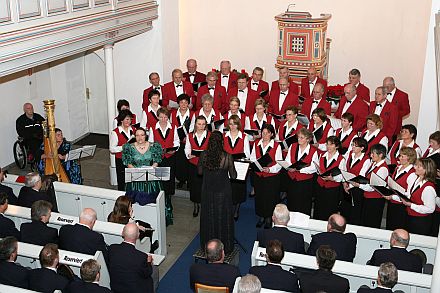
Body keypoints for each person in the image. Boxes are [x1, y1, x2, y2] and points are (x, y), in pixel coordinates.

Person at [198, 131, 237, 253]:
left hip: (208, 191)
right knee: (222, 218)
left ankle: (208, 246)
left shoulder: (203, 155)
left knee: (208, 218)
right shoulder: (227, 156)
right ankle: (225, 246)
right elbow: (234, 176)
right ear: (221, 142)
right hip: (222, 193)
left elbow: (199, 172)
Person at [123, 127, 165, 218]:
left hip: (150, 178)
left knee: (153, 201)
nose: (140, 137)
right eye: (137, 135)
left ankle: (153, 218)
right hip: (135, 178)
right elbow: (128, 163)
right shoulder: (129, 147)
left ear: (146, 136)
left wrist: (151, 169)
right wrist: (138, 172)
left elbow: (156, 160)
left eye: (142, 135)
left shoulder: (154, 146)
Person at [148, 107, 179, 225]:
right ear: (157, 117)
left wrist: (173, 150)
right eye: (161, 117)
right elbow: (150, 143)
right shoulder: (153, 128)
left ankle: (169, 200)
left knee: (169, 178)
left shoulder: (173, 127)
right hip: (159, 159)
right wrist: (157, 150)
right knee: (160, 179)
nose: (163, 119)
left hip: (170, 157)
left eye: (165, 117)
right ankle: (160, 198)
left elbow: (176, 141)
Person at [250, 123, 282, 228]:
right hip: (259, 175)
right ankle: (261, 216)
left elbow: (279, 163)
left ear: (271, 134)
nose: (264, 135)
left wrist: (270, 169)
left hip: (271, 177)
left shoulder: (276, 146)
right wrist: (258, 166)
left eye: (267, 133)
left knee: (270, 197)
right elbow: (253, 158)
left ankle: (269, 218)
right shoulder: (256, 143)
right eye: (263, 133)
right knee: (259, 196)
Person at [108, 223, 154, 293]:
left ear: (122, 233)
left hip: (116, 288)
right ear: (138, 236)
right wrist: (149, 262)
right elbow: (147, 273)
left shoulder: (112, 249)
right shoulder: (141, 257)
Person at [285, 128, 318, 216]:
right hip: (292, 179)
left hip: (305, 182)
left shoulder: (313, 150)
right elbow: (288, 160)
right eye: (298, 137)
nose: (299, 139)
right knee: (292, 201)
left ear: (308, 139)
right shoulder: (293, 146)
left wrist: (300, 170)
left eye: (302, 138)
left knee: (303, 203)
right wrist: (289, 167)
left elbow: (314, 167)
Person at [355, 143, 389, 228]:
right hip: (367, 197)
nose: (371, 155)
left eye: (373, 153)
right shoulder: (374, 164)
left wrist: (359, 185)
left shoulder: (383, 168)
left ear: (380, 155)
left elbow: (374, 186)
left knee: (371, 223)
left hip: (375, 200)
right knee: (364, 222)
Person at [223, 115, 250, 220]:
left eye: (235, 123)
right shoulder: (224, 136)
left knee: (238, 189)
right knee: (227, 188)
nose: (233, 126)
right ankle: (228, 208)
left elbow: (247, 154)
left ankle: (237, 209)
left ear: (238, 124)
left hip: (239, 166)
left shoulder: (244, 136)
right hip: (227, 166)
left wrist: (240, 159)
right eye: (230, 124)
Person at [383, 147, 417, 230]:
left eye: (402, 156)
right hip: (392, 203)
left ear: (409, 158)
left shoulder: (412, 173)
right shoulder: (398, 168)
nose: (399, 158)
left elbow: (408, 195)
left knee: (397, 227)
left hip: (401, 206)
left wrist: (392, 197)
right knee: (389, 226)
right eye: (400, 156)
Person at [312, 136, 345, 220]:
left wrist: (332, 178)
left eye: (331, 144)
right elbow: (318, 169)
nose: (328, 146)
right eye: (327, 144)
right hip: (320, 187)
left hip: (332, 190)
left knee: (329, 211)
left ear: (337, 146)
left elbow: (342, 176)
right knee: (318, 210)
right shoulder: (322, 155)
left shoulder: (341, 159)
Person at [401, 158, 437, 236]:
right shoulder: (417, 181)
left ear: (426, 170)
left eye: (419, 166)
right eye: (416, 165)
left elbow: (430, 209)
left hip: (420, 221)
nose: (415, 167)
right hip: (411, 217)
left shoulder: (428, 188)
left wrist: (411, 205)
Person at [185, 116, 211, 217]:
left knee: (205, 186)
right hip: (193, 164)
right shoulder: (190, 135)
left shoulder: (210, 135)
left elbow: (212, 149)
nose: (201, 126)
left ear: (206, 125)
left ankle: (205, 205)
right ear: (195, 124)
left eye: (203, 124)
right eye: (199, 124)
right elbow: (187, 148)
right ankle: (196, 205)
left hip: (206, 165)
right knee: (194, 186)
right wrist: (189, 155)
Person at [341, 137, 371, 225]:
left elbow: (361, 176)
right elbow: (344, 168)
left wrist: (349, 186)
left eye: (355, 146)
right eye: (352, 145)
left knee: (354, 212)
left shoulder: (366, 160)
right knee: (345, 211)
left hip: (356, 188)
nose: (352, 147)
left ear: (362, 148)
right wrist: (344, 183)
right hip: (347, 186)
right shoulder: (350, 154)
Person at [170, 94, 194, 188]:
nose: (183, 104)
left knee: (188, 160)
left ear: (188, 103)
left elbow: (193, 128)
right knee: (180, 161)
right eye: (181, 102)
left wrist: (187, 137)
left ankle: (189, 180)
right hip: (177, 141)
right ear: (178, 103)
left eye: (185, 102)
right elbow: (171, 126)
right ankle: (181, 179)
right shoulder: (173, 114)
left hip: (189, 142)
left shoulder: (193, 114)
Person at [110, 109, 136, 191]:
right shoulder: (115, 132)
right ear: (121, 120)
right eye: (127, 119)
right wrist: (123, 147)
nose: (129, 122)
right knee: (122, 181)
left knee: (133, 180)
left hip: (133, 158)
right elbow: (112, 149)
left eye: (130, 119)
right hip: (121, 159)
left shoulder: (134, 130)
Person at [383, 76, 410, 142]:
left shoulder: (402, 95)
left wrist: (394, 115)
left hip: (394, 128)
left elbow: (406, 110)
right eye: (384, 86)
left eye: (387, 86)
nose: (385, 88)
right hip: (382, 126)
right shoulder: (382, 93)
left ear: (393, 85)